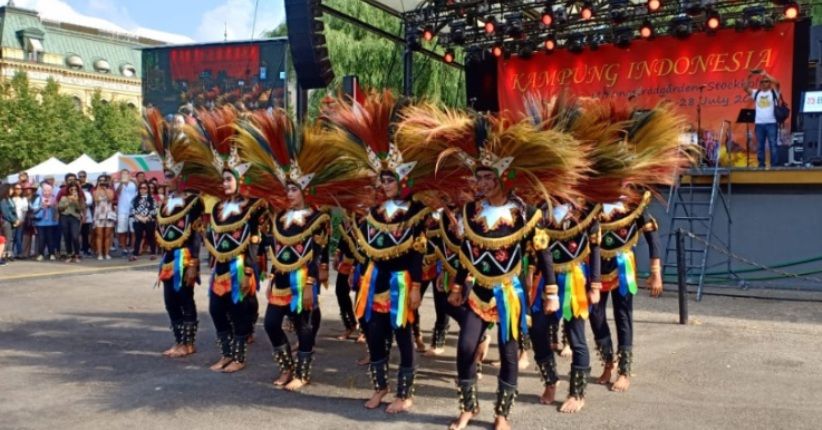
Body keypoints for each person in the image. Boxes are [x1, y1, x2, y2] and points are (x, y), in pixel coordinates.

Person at [399, 105, 585, 430]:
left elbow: (542, 253)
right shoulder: (471, 211)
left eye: (487, 177)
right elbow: (466, 253)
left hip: (509, 293)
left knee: (509, 352)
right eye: (478, 176)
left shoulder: (524, 212)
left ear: (503, 177)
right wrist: (458, 286)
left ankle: (502, 415)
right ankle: (468, 408)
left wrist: (552, 291)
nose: (480, 182)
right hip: (479, 292)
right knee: (466, 346)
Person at [184, 107, 266, 374]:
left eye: (230, 178)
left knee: (240, 311)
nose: (226, 182)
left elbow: (254, 240)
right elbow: (213, 235)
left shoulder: (251, 207)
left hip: (241, 267)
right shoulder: (218, 208)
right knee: (217, 310)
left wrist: (251, 270)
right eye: (223, 178)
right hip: (220, 267)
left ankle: (239, 358)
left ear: (240, 180)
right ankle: (226, 354)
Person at [144, 108, 206, 359]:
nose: (165, 178)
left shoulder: (193, 201)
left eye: (170, 174)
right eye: (164, 173)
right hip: (168, 258)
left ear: (180, 175)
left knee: (184, 298)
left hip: (183, 258)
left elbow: (195, 234)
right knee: (170, 301)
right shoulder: (166, 202)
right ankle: (179, 340)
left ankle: (188, 343)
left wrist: (192, 263)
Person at [743, 70, 782, 168]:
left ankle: (774, 166)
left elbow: (777, 83)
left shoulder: (774, 92)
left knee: (773, 145)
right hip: (759, 124)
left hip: (772, 123)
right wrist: (749, 77)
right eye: (762, 82)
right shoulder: (757, 93)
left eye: (766, 81)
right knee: (760, 146)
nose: (764, 83)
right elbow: (745, 88)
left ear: (769, 83)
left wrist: (766, 75)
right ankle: (761, 165)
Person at [31, 183, 60, 261]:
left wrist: (51, 205)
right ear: (42, 191)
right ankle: (41, 254)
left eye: (49, 190)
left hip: (52, 222)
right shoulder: (39, 198)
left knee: (51, 238)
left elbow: (58, 209)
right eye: (45, 190)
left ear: (51, 191)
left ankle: (52, 254)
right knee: (41, 239)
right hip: (40, 222)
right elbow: (33, 208)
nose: (47, 192)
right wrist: (41, 206)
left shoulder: (54, 198)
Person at [130, 182, 157, 261]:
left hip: (149, 220)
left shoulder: (152, 199)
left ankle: (153, 253)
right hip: (138, 220)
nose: (142, 190)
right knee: (138, 237)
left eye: (144, 188)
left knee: (150, 237)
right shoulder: (135, 199)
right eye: (141, 188)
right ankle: (135, 254)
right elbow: (132, 210)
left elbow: (155, 210)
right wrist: (140, 218)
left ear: (147, 189)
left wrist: (147, 217)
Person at [57, 183, 84, 263]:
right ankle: (69, 254)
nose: (73, 191)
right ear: (68, 189)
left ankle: (77, 254)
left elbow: (80, 209)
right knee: (67, 236)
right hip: (65, 217)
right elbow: (60, 208)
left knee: (75, 236)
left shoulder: (80, 198)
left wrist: (75, 201)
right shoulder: (63, 197)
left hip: (75, 218)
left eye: (75, 189)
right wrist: (68, 201)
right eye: (71, 189)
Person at [92, 175, 116, 260]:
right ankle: (99, 254)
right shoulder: (95, 191)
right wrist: (99, 188)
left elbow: (110, 199)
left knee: (107, 235)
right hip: (99, 214)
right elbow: (96, 200)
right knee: (99, 235)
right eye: (100, 181)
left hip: (108, 214)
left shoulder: (110, 190)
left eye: (104, 181)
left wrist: (105, 189)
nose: (102, 182)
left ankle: (106, 253)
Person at [115, 169, 137, 257]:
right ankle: (123, 248)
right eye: (123, 174)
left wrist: (132, 180)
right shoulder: (118, 184)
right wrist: (122, 182)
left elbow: (139, 189)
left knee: (133, 230)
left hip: (133, 209)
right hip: (122, 210)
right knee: (122, 231)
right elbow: (117, 192)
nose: (125, 175)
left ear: (129, 174)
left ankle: (133, 248)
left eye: (126, 174)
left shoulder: (133, 183)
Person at [11, 183, 29, 259]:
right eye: (17, 188)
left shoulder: (23, 199)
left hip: (20, 220)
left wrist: (22, 220)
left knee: (19, 237)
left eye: (20, 189)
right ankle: (10, 253)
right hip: (12, 220)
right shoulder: (10, 198)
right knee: (12, 238)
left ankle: (19, 253)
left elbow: (25, 210)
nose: (19, 190)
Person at [0, 184, 17, 261]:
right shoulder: (3, 200)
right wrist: (14, 220)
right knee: (7, 239)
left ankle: (6, 254)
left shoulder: (8, 199)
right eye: (10, 189)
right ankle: (3, 254)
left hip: (7, 221)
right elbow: (6, 212)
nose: (12, 191)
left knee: (7, 239)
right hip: (5, 221)